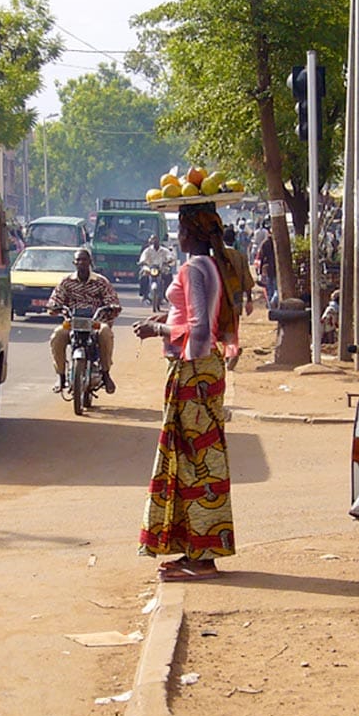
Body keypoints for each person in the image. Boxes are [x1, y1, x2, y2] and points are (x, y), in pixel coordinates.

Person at [133, 203, 241, 581]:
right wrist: (167, 318)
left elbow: (198, 331)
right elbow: (204, 317)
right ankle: (195, 549)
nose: (177, 236)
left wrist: (156, 331)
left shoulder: (193, 267)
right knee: (196, 459)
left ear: (191, 233)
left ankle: (204, 557)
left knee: (196, 463)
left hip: (193, 371)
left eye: (180, 228)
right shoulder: (212, 266)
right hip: (204, 369)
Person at [46, 248, 121, 394]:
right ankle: (60, 376)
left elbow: (112, 299)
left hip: (95, 322)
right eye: (78, 260)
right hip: (73, 322)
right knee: (57, 336)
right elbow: (55, 299)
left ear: (90, 262)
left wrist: (112, 307)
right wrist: (54, 307)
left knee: (105, 332)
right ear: (74, 263)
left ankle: (106, 374)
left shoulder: (100, 281)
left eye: (84, 260)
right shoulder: (66, 282)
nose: (81, 263)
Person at [219, 224, 256, 367]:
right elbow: (247, 279)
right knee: (233, 327)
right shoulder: (240, 256)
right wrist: (250, 300)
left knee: (220, 327)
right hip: (236, 298)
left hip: (220, 297)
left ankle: (228, 354)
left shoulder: (217, 255)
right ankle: (231, 352)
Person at [137, 234, 175, 300]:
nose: (154, 241)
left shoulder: (164, 250)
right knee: (143, 275)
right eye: (153, 240)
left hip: (161, 268)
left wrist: (169, 261)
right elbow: (143, 259)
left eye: (156, 240)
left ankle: (166, 295)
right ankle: (144, 294)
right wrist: (143, 262)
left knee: (168, 276)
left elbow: (170, 257)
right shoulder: (147, 250)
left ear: (158, 241)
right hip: (150, 268)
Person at [257, 231, 277, 303]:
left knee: (269, 287)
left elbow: (261, 258)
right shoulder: (277, 242)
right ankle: (273, 302)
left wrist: (260, 271)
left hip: (268, 269)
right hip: (275, 269)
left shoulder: (265, 243)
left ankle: (270, 303)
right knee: (275, 288)